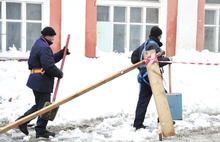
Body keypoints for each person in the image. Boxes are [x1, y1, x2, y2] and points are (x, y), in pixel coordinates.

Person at [16, 26, 70, 138]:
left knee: (40, 105)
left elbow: (48, 60)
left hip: (36, 79)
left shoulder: (39, 44)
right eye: (53, 37)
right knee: (45, 107)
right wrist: (59, 73)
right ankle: (40, 129)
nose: (53, 39)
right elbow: (48, 65)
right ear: (48, 36)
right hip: (41, 80)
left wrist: (61, 53)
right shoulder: (44, 47)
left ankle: (22, 121)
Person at [131, 26, 171, 130]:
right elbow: (159, 61)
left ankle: (138, 123)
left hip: (144, 77)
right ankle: (164, 121)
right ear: (159, 36)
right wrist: (168, 59)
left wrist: (141, 67)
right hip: (152, 77)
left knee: (143, 100)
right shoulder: (154, 45)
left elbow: (134, 57)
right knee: (163, 98)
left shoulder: (145, 44)